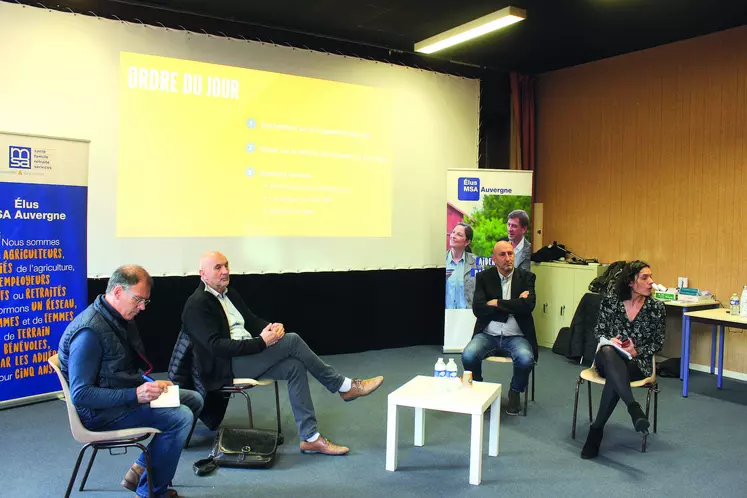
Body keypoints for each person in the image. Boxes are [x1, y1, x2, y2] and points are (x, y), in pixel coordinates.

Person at [181, 251, 384, 456]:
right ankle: (344, 386)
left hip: (247, 354)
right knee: (293, 341)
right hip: (226, 365)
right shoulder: (197, 304)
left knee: (294, 367)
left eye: (226, 265)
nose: (225, 271)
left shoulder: (229, 293)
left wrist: (271, 328)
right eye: (218, 267)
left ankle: (310, 438)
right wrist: (261, 342)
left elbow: (251, 321)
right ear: (203, 274)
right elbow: (216, 347)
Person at [58, 266, 203, 498]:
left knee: (193, 400)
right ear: (117, 292)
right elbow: (81, 395)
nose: (143, 307)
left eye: (146, 301)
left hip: (121, 396)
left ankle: (139, 468)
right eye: (138, 299)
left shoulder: (117, 318)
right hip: (98, 414)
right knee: (180, 417)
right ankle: (151, 493)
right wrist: (136, 394)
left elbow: (120, 370)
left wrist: (149, 384)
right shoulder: (89, 333)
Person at [581, 260, 665, 459]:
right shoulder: (611, 301)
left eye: (651, 277)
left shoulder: (656, 308)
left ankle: (597, 430)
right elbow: (599, 331)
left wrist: (637, 351)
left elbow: (658, 342)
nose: (651, 282)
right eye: (644, 277)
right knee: (609, 351)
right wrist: (610, 340)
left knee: (615, 377)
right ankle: (633, 407)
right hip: (607, 357)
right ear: (630, 281)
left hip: (636, 363)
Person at [461, 238, 537, 415]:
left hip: (516, 336)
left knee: (526, 360)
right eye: (502, 254)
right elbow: (478, 309)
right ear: (494, 259)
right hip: (488, 334)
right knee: (468, 355)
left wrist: (496, 303)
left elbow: (529, 306)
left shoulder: (527, 277)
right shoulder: (483, 277)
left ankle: (515, 392)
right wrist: (514, 304)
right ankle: (479, 390)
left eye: (510, 253)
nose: (508, 258)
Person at [446, 222, 477, 309]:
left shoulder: (476, 263)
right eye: (453, 232)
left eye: (459, 234)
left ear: (467, 242)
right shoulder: (440, 260)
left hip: (468, 315)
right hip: (445, 315)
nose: (453, 236)